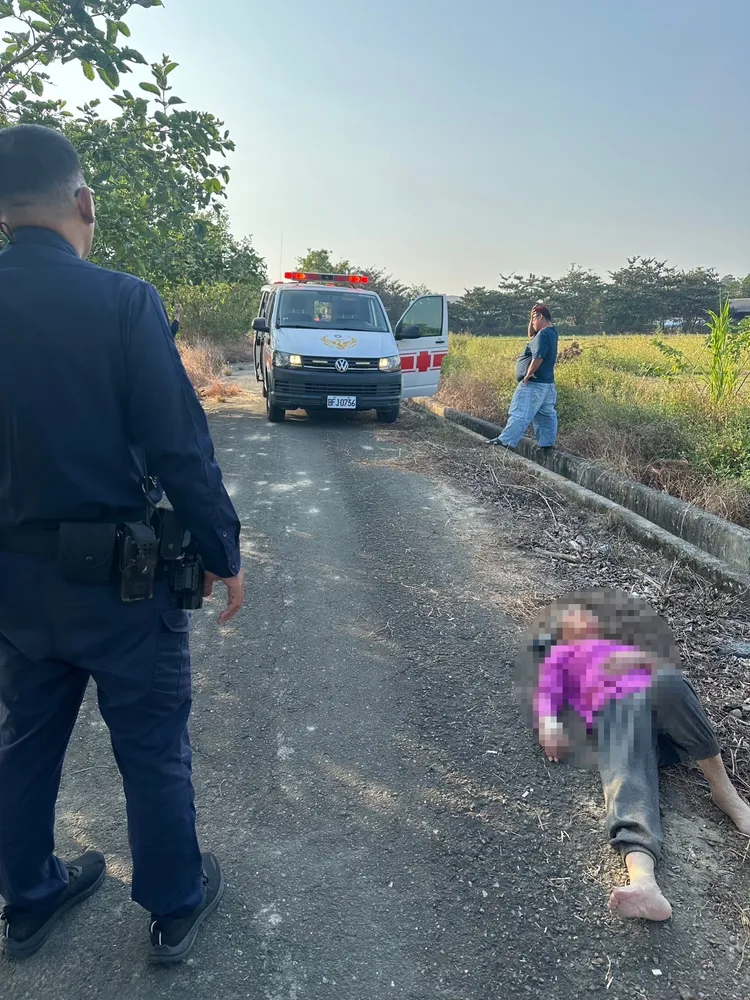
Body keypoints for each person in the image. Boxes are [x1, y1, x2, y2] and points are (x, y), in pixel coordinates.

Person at [0, 124, 244, 963]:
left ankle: (27, 897)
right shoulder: (123, 301)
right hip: (122, 583)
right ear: (84, 202)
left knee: (25, 739)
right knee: (149, 740)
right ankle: (174, 904)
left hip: (13, 585)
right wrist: (223, 547)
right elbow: (178, 441)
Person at [535, 605, 750, 921]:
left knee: (668, 681)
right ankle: (644, 882)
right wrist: (550, 726)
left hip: (671, 727)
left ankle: (726, 794)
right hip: (627, 735)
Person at [489, 303, 559, 449]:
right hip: (547, 385)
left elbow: (538, 356)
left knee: (520, 412)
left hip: (534, 383)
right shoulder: (551, 332)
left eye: (534, 319)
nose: (532, 322)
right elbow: (531, 334)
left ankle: (506, 441)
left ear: (540, 317)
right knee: (546, 415)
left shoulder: (543, 334)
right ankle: (546, 444)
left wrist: (529, 373)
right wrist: (531, 317)